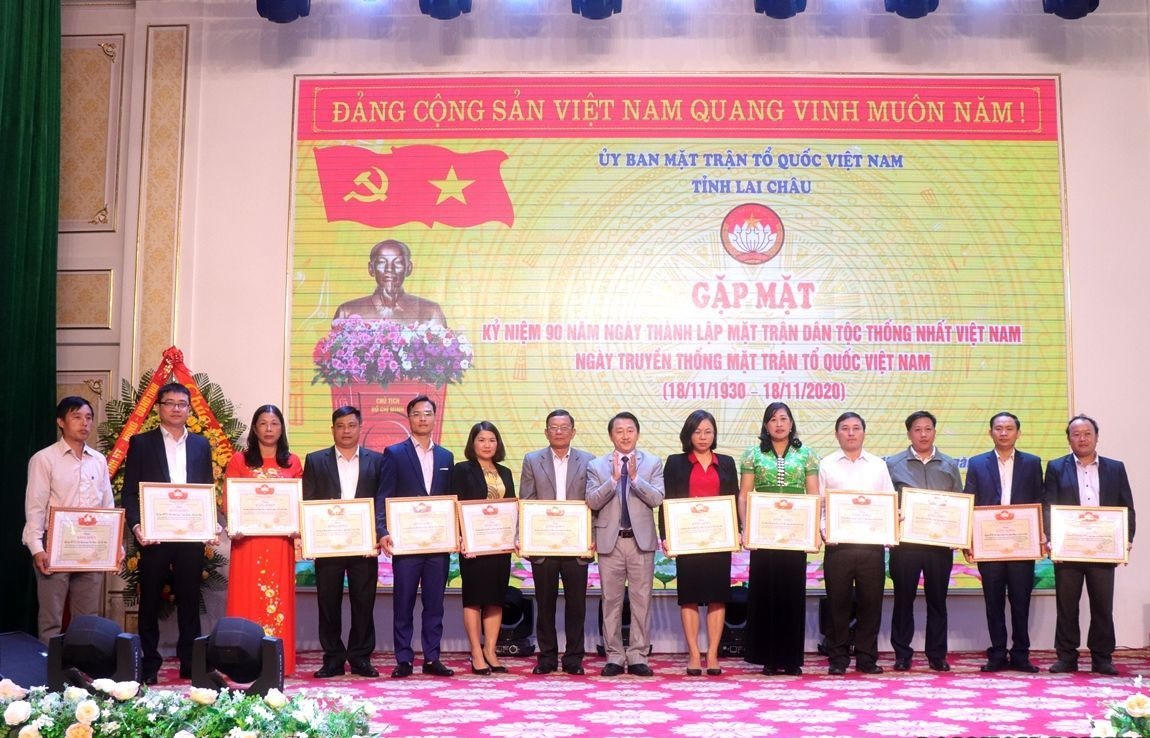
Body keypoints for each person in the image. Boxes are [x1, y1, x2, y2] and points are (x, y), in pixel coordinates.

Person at [122, 382, 215, 684]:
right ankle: (149, 665)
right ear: (159, 407)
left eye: (182, 404)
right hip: (155, 536)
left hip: (190, 537)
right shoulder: (141, 443)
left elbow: (206, 491)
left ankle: (190, 664)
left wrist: (209, 522)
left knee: (190, 600)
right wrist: (137, 526)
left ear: (189, 409)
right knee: (150, 601)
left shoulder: (201, 444)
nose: (176, 409)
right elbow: (130, 493)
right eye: (170, 403)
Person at [1044, 414, 1135, 676]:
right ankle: (1066, 657)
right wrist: (1052, 538)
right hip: (1067, 549)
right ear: (1069, 439)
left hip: (1103, 549)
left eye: (1087, 434)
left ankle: (1102, 658)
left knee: (1102, 606)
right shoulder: (1055, 467)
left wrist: (1126, 539)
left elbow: (1126, 507)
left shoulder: (1115, 468)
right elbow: (1048, 506)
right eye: (1076, 434)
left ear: (1096, 437)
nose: (1082, 439)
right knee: (1066, 606)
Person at [301, 406, 386, 678]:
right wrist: (310, 538)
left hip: (365, 545)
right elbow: (308, 501)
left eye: (351, 425)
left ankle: (361, 657)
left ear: (360, 427)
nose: (346, 431)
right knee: (328, 603)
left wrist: (379, 533)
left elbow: (382, 503)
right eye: (340, 426)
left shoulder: (377, 461)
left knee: (364, 602)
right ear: (332, 429)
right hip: (328, 545)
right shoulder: (315, 460)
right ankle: (333, 659)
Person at [23, 396, 116, 642]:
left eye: (88, 418)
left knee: (87, 619)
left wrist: (114, 545)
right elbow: (35, 507)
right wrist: (37, 548)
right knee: (51, 618)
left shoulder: (98, 460)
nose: (84, 423)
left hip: (92, 547)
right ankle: (47, 663)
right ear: (61, 422)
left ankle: (81, 664)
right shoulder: (44, 459)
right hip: (55, 545)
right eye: (76, 417)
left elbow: (107, 506)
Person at [737, 402, 819, 676]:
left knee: (792, 593)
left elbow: (814, 495)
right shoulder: (752, 454)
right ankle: (768, 658)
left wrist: (813, 531)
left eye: (784, 419)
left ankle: (791, 658)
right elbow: (744, 495)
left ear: (791, 423)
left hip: (796, 535)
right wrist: (746, 529)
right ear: (766, 425)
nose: (779, 424)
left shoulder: (807, 454)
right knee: (765, 593)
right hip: (764, 534)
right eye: (773, 419)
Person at [377, 395, 455, 678]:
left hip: (437, 544)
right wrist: (382, 530)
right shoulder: (394, 453)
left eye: (428, 413)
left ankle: (432, 658)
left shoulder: (446, 456)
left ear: (435, 417)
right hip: (406, 543)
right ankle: (404, 659)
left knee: (435, 604)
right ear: (409, 418)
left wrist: (456, 532)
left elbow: (450, 500)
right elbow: (384, 495)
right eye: (417, 414)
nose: (423, 418)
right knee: (404, 603)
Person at [963, 411, 1044, 673]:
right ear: (991, 433)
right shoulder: (977, 463)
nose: (1004, 433)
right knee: (993, 602)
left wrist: (1042, 534)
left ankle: (1021, 654)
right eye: (998, 428)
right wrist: (968, 539)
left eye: (1009, 428)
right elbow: (970, 501)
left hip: (1022, 545)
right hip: (990, 545)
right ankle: (997, 653)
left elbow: (1040, 501)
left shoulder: (1032, 463)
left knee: (1021, 601)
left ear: (1018, 433)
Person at [224, 404, 303, 675]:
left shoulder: (293, 462)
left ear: (282, 428)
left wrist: (298, 523)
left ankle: (278, 662)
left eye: (274, 423)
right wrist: (235, 523)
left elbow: (300, 502)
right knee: (245, 599)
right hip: (247, 544)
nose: (269, 429)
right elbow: (229, 501)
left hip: (280, 544)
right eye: (263, 423)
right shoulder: (239, 461)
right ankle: (240, 662)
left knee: (277, 602)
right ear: (254, 428)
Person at [586, 412, 665, 677]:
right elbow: (592, 501)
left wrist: (634, 479)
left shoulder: (652, 463)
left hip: (640, 541)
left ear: (637, 433)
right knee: (611, 602)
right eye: (619, 431)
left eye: (630, 430)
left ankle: (638, 655)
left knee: (642, 601)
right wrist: (612, 480)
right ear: (611, 435)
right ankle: (614, 656)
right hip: (611, 541)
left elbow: (657, 498)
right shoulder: (596, 465)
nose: (625, 435)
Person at [884, 410, 963, 672]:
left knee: (937, 600)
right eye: (917, 430)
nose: (923, 434)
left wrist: (958, 532)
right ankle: (902, 654)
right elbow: (886, 502)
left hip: (939, 546)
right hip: (905, 546)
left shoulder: (949, 465)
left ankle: (937, 655)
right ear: (909, 434)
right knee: (903, 599)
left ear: (934, 432)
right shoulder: (893, 464)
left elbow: (959, 502)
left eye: (928, 429)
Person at [818, 412, 895, 675]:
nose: (851, 433)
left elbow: (888, 501)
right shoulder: (826, 465)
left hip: (871, 548)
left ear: (864, 432)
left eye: (856, 428)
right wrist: (826, 531)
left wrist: (890, 527)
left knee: (870, 605)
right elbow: (820, 506)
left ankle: (866, 658)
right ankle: (837, 658)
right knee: (837, 605)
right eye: (845, 428)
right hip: (838, 546)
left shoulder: (878, 465)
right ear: (836, 434)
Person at [662, 410, 738, 676]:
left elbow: (733, 499)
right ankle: (694, 654)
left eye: (708, 432)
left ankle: (713, 654)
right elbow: (667, 501)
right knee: (690, 597)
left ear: (714, 434)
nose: (703, 437)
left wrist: (737, 531)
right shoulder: (675, 462)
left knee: (718, 596)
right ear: (688, 434)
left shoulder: (726, 462)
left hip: (719, 541)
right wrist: (666, 535)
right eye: (697, 431)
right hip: (687, 541)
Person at [520, 409, 595, 676]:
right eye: (554, 427)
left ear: (573, 432)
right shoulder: (532, 460)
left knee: (577, 605)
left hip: (577, 545)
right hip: (544, 544)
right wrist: (525, 538)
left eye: (564, 427)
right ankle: (547, 657)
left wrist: (592, 537)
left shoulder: (589, 460)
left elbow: (594, 504)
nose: (559, 431)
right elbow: (526, 501)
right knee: (545, 603)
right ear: (546, 432)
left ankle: (574, 658)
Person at [451, 422, 515, 675]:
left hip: (499, 546)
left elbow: (511, 507)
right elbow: (455, 505)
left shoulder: (505, 472)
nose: (487, 445)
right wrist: (461, 537)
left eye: (491, 440)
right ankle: (476, 653)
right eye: (481, 440)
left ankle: (490, 650)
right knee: (475, 598)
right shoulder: (461, 470)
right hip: (473, 547)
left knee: (495, 599)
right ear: (472, 443)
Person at [333, 239, 446, 326]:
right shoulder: (347, 311)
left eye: (398, 263)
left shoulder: (430, 311)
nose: (389, 269)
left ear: (408, 268)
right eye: (382, 262)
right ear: (371, 269)